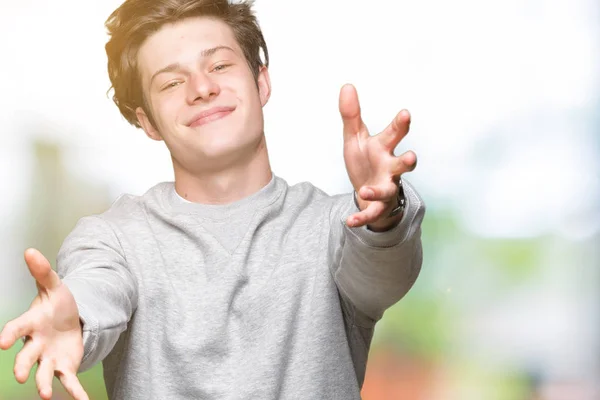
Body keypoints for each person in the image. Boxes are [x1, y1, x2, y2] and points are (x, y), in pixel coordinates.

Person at [0, 0, 426, 399]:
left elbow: (384, 275)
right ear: (147, 121)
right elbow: (97, 289)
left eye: (219, 64)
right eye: (171, 82)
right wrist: (76, 318)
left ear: (261, 81)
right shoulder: (113, 240)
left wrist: (382, 214)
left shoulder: (334, 227)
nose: (201, 87)